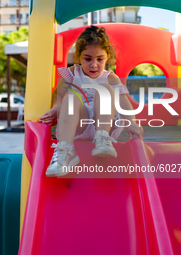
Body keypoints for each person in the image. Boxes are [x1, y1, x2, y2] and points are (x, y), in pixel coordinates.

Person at [39, 26, 144, 177]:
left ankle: (102, 139)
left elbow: (123, 100)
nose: (94, 64)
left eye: (99, 59)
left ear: (107, 57)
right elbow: (58, 93)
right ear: (79, 57)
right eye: (87, 59)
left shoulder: (109, 77)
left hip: (103, 123)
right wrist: (56, 108)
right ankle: (66, 151)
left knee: (105, 89)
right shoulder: (73, 73)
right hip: (78, 125)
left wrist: (132, 122)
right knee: (71, 96)